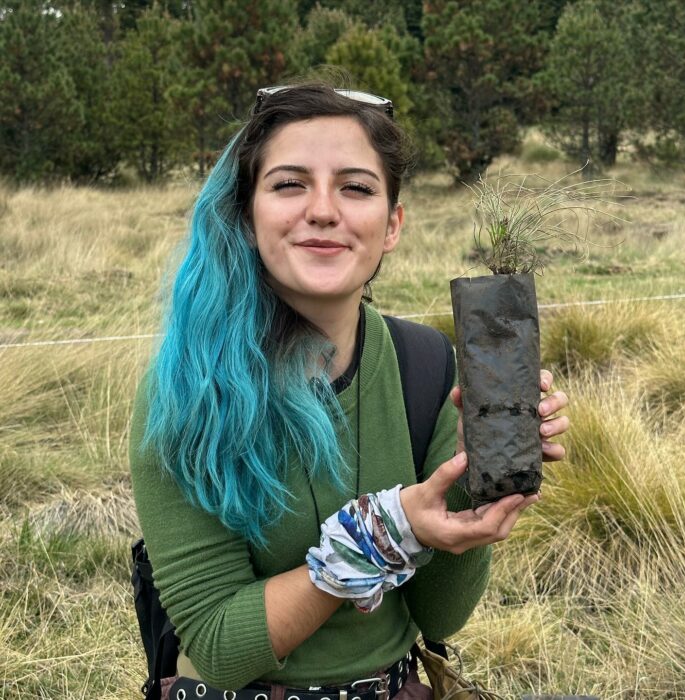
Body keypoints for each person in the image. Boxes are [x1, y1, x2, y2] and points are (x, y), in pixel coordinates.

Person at [129, 83, 569, 700]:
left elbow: (441, 617)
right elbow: (220, 647)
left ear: (390, 226)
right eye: (289, 184)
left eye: (356, 187)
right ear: (247, 217)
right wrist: (382, 535)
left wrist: (477, 478)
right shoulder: (184, 393)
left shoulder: (425, 365)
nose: (323, 210)